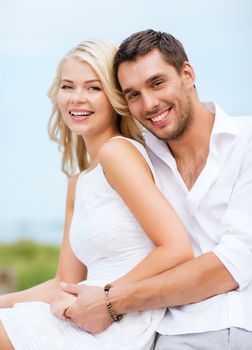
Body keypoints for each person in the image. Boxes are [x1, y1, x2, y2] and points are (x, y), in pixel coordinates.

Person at [60, 30, 252, 349]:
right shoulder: (139, 157)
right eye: (133, 94)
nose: (149, 103)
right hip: (163, 333)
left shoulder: (247, 141)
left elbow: (234, 264)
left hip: (239, 323)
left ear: (187, 74)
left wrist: (110, 301)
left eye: (157, 83)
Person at [0, 38, 194, 349]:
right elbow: (65, 282)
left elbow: (176, 248)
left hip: (119, 318)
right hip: (84, 311)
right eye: (68, 86)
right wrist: (4, 301)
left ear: (114, 97)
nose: (78, 98)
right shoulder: (78, 183)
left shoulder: (117, 153)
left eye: (93, 88)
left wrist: (105, 298)